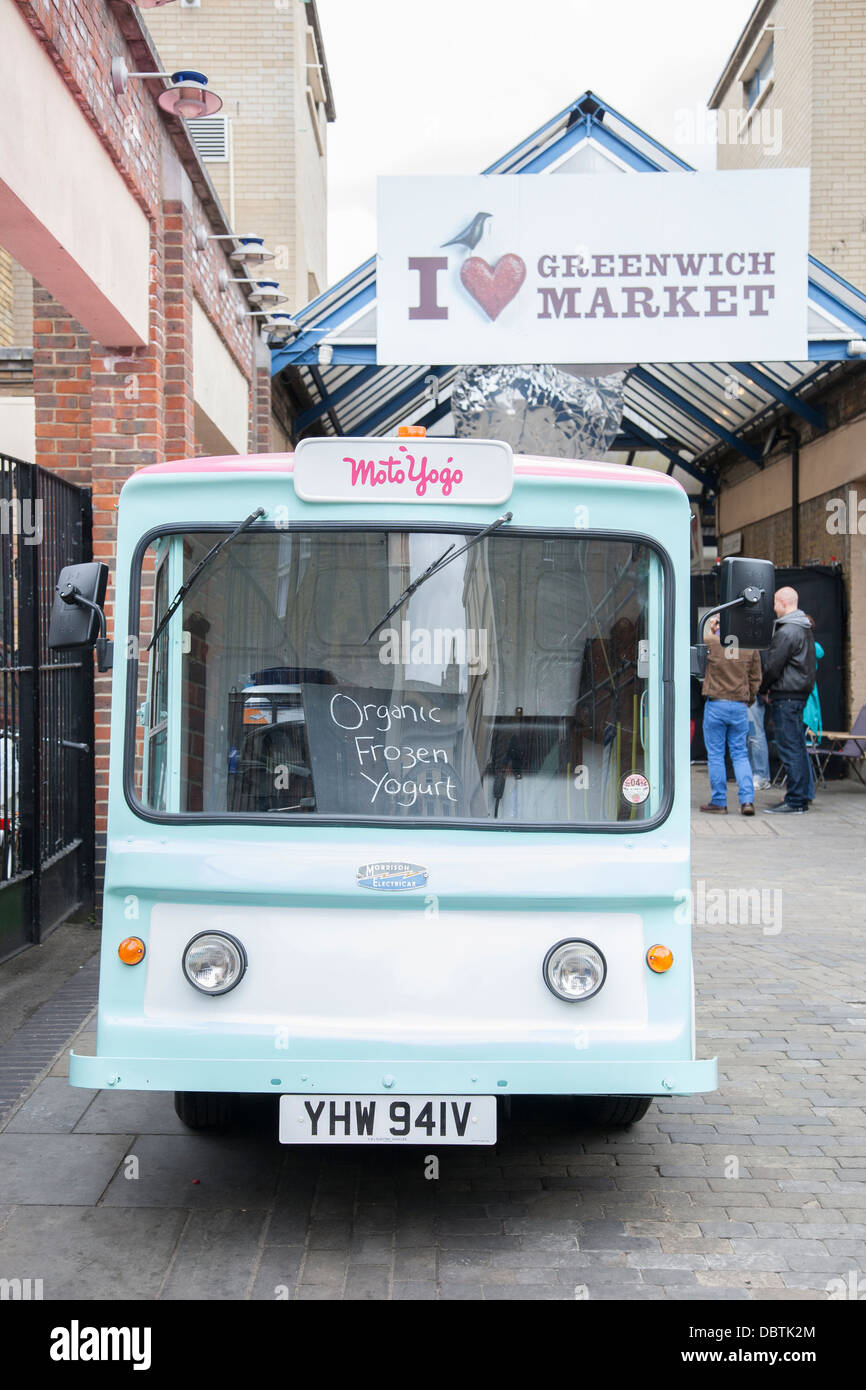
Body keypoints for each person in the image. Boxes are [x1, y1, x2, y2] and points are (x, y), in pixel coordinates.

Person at [759, 586, 816, 814]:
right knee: (798, 747)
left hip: (787, 696)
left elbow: (773, 666)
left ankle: (795, 801)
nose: (773, 608)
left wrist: (762, 689)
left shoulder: (787, 631)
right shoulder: (803, 628)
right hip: (798, 695)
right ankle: (802, 796)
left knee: (790, 748)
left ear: (783, 603)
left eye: (774, 603)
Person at [700, 614, 763, 816]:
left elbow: (701, 655)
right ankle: (747, 801)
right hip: (739, 706)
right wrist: (749, 699)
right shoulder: (750, 646)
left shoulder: (711, 641)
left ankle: (719, 802)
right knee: (740, 754)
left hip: (716, 704)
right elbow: (756, 678)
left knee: (716, 755)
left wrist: (712, 628)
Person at [746, 696, 772, 789]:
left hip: (752, 697)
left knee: (755, 735)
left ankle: (762, 777)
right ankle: (756, 774)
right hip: (748, 697)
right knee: (751, 736)